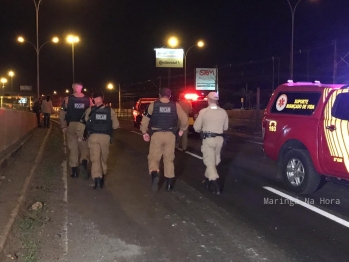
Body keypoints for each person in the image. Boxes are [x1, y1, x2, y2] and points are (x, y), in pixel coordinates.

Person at [140, 88, 188, 192]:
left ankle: (154, 175)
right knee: (169, 159)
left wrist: (144, 132)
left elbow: (145, 120)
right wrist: (182, 130)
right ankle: (169, 185)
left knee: (153, 158)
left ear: (159, 95)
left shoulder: (153, 105)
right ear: (170, 96)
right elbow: (184, 119)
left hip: (156, 135)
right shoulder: (176, 105)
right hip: (170, 135)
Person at [80, 91, 119, 189]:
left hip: (93, 137)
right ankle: (102, 177)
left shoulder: (90, 110)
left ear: (94, 99)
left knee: (95, 158)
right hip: (105, 137)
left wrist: (81, 135)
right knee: (103, 158)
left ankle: (97, 180)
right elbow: (116, 125)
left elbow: (84, 122)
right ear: (102, 98)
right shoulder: (110, 111)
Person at [193, 92, 228, 195]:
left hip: (208, 139)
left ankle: (217, 186)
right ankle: (207, 182)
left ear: (208, 99)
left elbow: (196, 128)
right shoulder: (223, 112)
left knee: (209, 163)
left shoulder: (204, 112)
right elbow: (225, 128)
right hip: (219, 139)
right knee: (215, 160)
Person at [59, 82, 93, 178]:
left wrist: (63, 126)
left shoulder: (67, 99)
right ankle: (84, 164)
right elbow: (92, 113)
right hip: (83, 126)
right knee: (84, 147)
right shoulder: (88, 99)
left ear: (73, 88)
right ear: (81, 88)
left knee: (73, 148)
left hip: (72, 125)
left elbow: (62, 113)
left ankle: (74, 171)